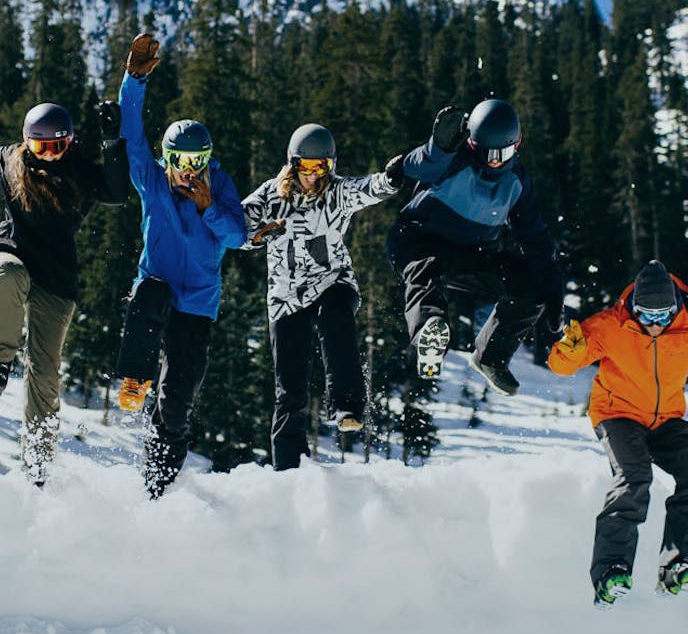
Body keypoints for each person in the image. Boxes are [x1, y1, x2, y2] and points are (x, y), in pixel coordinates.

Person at [0, 94, 129, 485]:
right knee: (8, 275)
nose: (49, 155)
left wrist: (111, 141)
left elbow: (118, 193)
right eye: (40, 146)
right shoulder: (11, 162)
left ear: (69, 143)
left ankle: (37, 464)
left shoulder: (81, 174)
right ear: (26, 142)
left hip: (56, 278)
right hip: (9, 255)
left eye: (57, 146)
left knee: (45, 372)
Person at [115, 32, 247, 498]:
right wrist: (134, 81)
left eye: (199, 161)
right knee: (149, 294)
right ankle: (134, 375)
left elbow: (238, 236)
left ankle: (159, 483)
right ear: (167, 160)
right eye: (181, 161)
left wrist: (210, 205)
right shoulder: (151, 180)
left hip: (198, 306)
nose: (189, 170)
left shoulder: (220, 186)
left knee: (177, 399)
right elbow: (130, 132)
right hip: (157, 290)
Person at [242, 123, 403, 471]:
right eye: (306, 167)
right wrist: (257, 237)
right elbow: (235, 229)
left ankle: (347, 406)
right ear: (292, 163)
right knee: (290, 390)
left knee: (337, 322)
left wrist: (391, 177)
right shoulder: (271, 196)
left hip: (332, 280)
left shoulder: (337, 192)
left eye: (321, 168)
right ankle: (289, 472)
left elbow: (368, 188)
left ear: (331, 165)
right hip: (286, 297)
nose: (313, 176)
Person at [386, 98, 563, 394]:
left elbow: (535, 238)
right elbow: (419, 165)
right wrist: (437, 147)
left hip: (469, 254)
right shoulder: (452, 158)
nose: (494, 160)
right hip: (418, 242)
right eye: (486, 152)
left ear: (516, 145)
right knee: (425, 272)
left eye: (502, 153)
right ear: (472, 143)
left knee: (530, 285)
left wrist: (553, 287)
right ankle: (430, 331)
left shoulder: (516, 182)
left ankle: (490, 358)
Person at [548, 260, 688, 606]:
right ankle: (611, 571)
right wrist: (571, 348)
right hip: (618, 414)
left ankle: (677, 564)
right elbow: (560, 364)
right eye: (646, 316)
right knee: (634, 479)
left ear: (676, 308)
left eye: (663, 316)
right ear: (633, 308)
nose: (655, 325)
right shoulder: (611, 325)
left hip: (666, 418)